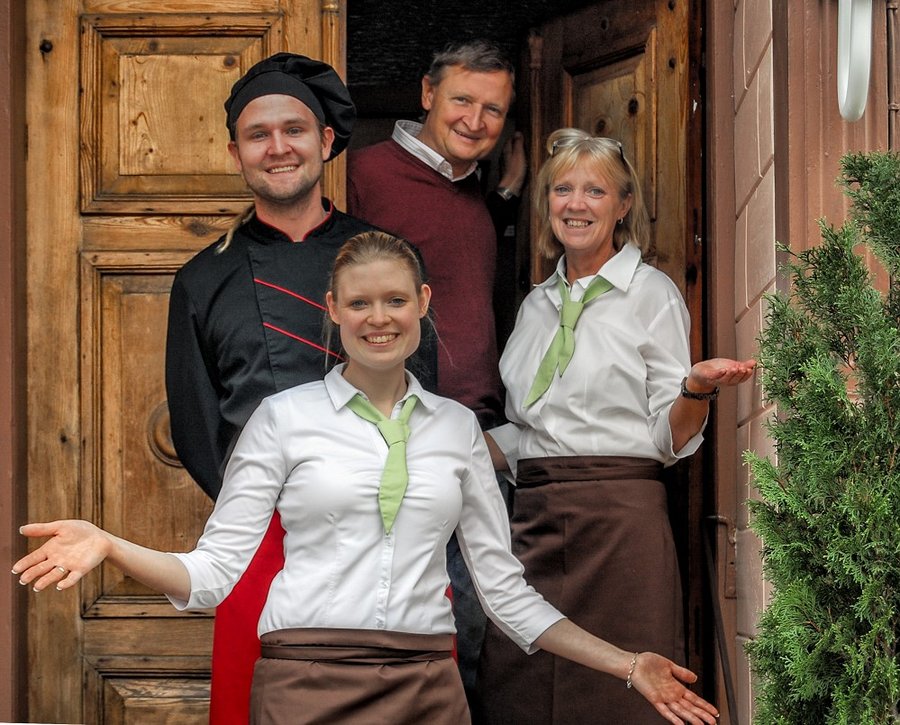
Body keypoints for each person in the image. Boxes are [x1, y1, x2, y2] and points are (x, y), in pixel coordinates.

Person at [15, 231, 721, 725]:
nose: (377, 318)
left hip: (426, 689)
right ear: (333, 311)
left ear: (422, 303)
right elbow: (214, 573)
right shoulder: (283, 419)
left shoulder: (454, 431)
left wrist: (629, 664)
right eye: (359, 303)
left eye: (393, 300)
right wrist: (109, 544)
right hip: (303, 685)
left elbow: (506, 595)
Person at [163, 53, 431, 725]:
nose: (278, 147)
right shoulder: (202, 280)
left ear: (327, 142)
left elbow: (425, 395)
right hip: (260, 541)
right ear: (235, 153)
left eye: (295, 129)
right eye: (258, 134)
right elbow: (197, 430)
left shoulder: (387, 258)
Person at [476, 128, 757, 724]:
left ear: (623, 205)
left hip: (622, 522)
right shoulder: (534, 305)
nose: (575, 204)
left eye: (594, 190)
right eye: (561, 189)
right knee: (518, 685)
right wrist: (443, 449)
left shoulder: (652, 294)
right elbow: (528, 432)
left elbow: (668, 439)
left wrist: (696, 389)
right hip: (532, 521)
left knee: (619, 700)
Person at [346, 38, 526, 702]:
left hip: (477, 445)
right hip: (389, 441)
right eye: (461, 101)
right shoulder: (363, 175)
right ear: (427, 94)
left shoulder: (479, 202)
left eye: (493, 110)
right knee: (383, 631)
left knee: (476, 633)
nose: (476, 121)